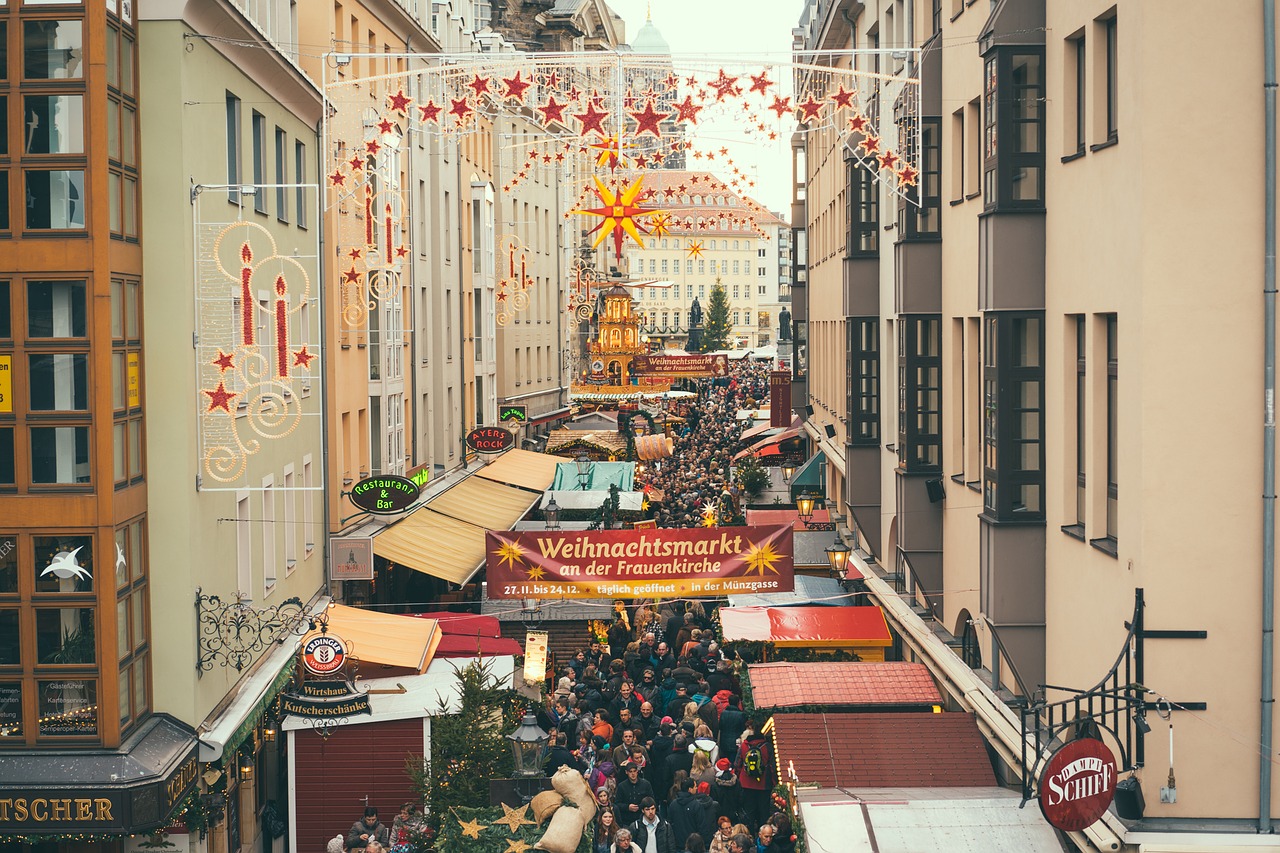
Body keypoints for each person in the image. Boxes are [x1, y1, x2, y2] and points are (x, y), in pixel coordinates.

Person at [733, 727, 774, 830]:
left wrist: (739, 776)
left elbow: (737, 764)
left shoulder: (744, 746)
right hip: (764, 785)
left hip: (747, 784)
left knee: (749, 811)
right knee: (764, 812)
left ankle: (750, 834)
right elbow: (773, 766)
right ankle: (763, 833)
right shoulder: (768, 747)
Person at [666, 777, 702, 851]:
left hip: (677, 844)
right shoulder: (696, 805)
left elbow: (669, 823)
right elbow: (701, 826)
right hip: (693, 846)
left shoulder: (673, 804)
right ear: (690, 789)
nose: (697, 788)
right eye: (695, 786)